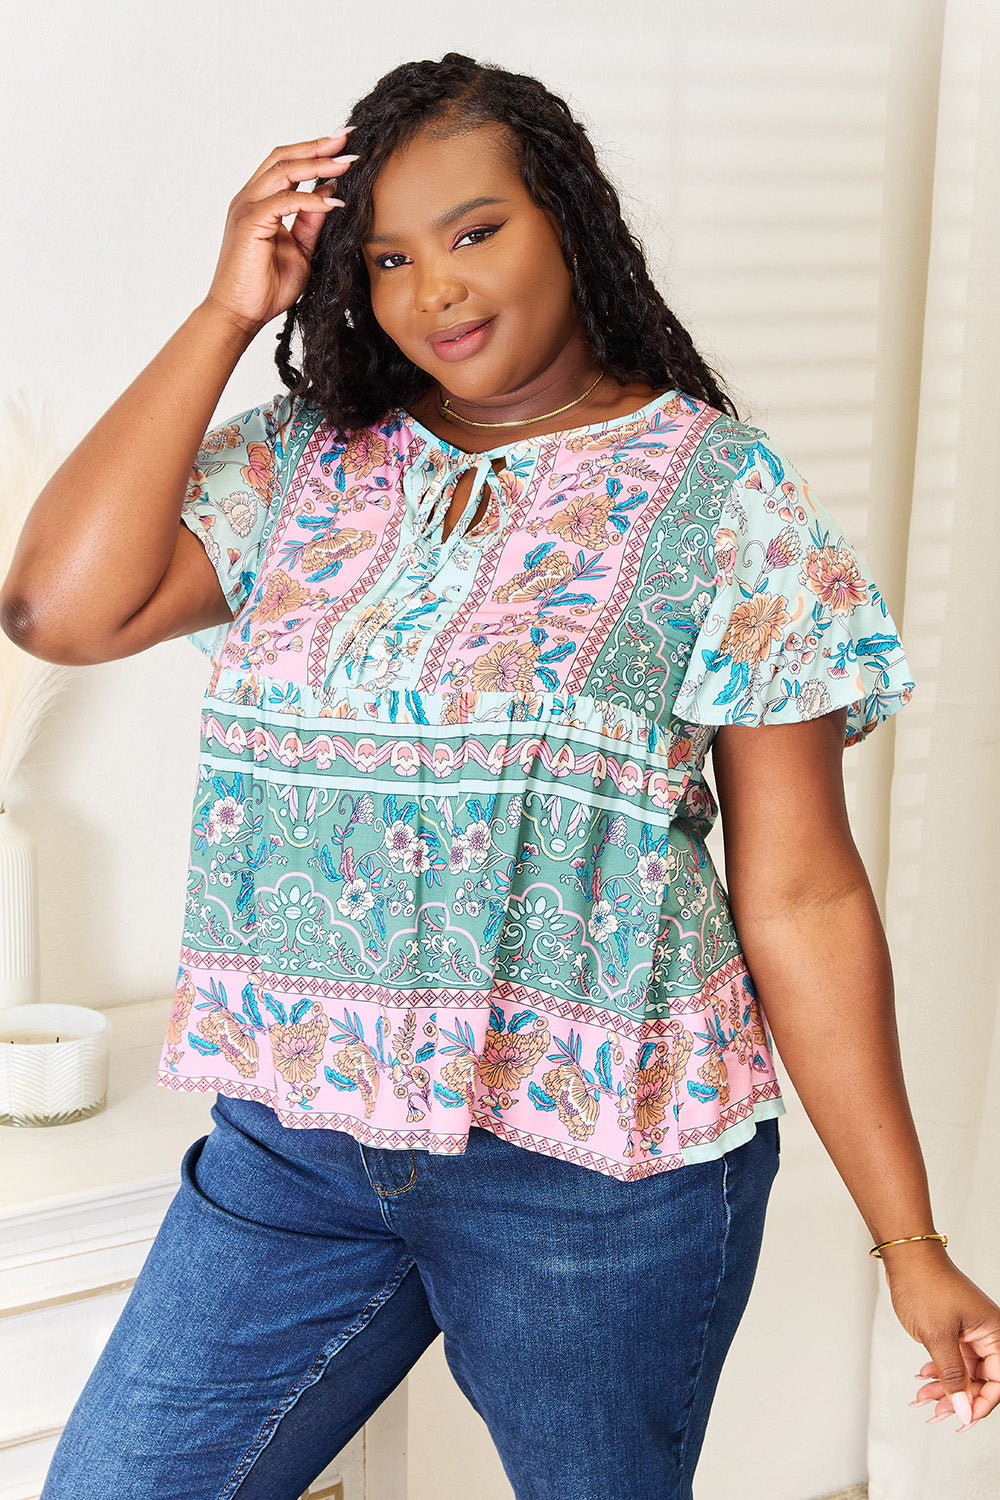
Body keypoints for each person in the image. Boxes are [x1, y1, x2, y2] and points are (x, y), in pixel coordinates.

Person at [4, 49, 998, 1500]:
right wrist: (229, 310)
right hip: (297, 1141)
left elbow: (801, 894)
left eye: (476, 232)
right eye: (389, 258)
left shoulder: (725, 499)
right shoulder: (308, 463)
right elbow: (55, 612)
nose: (437, 292)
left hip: (591, 1166)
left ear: (568, 220)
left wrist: (911, 1246)